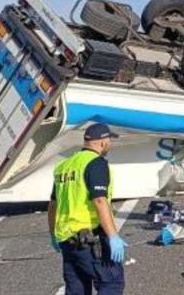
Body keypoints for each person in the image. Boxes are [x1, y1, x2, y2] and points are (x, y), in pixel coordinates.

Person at [49, 123, 126, 295]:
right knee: (112, 282)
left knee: (77, 288)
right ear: (102, 142)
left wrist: (53, 234)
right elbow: (99, 200)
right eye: (109, 140)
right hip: (89, 238)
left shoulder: (65, 166)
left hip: (67, 240)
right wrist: (113, 236)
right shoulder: (96, 163)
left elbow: (53, 204)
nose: (110, 144)